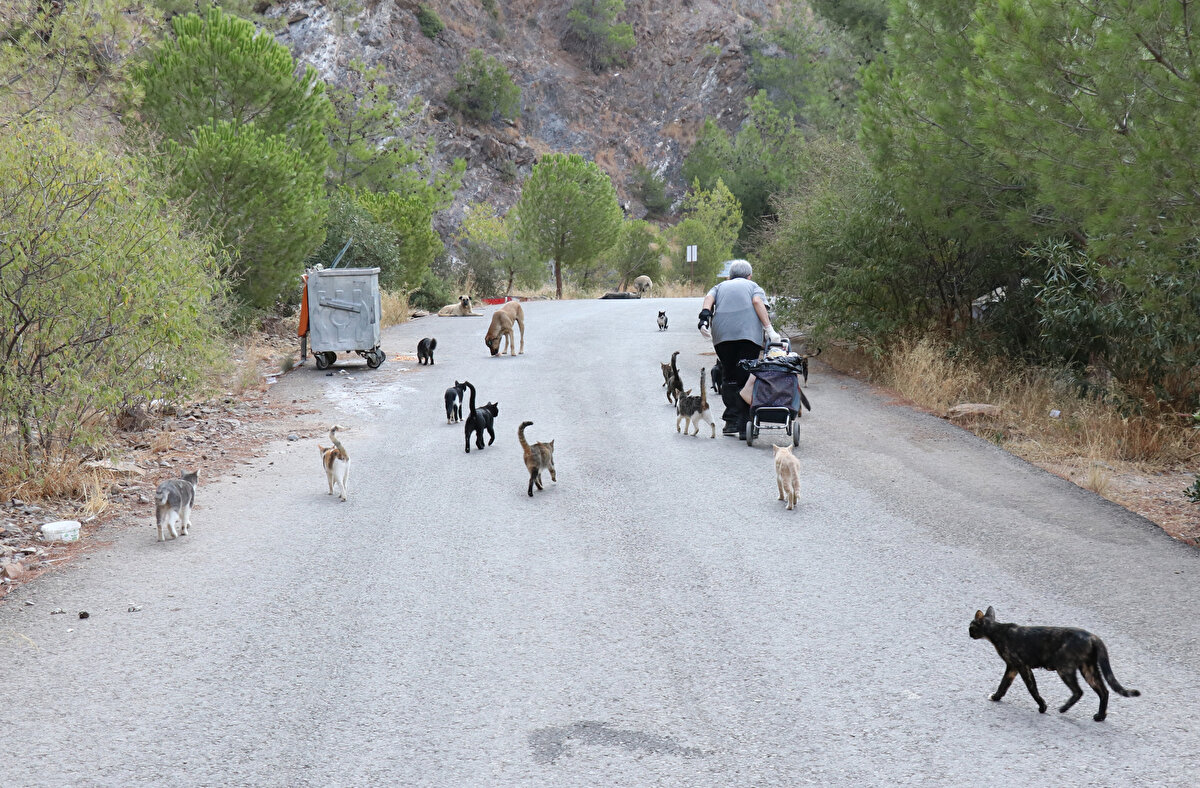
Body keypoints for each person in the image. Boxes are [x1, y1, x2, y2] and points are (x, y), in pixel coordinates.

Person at [697, 260, 780, 438]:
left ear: (730, 276)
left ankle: (730, 421)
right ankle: (744, 425)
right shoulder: (754, 286)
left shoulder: (720, 286)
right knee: (746, 376)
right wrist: (769, 329)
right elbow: (757, 302)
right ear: (749, 276)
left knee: (729, 375)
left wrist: (704, 319)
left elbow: (708, 299)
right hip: (748, 336)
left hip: (722, 336)